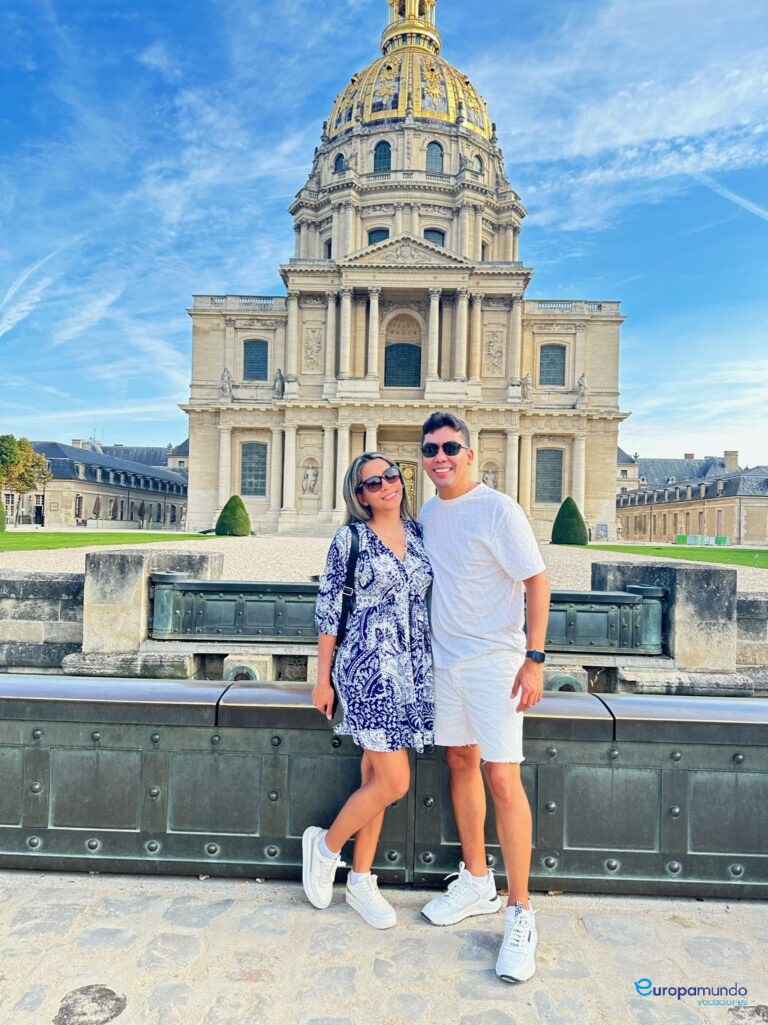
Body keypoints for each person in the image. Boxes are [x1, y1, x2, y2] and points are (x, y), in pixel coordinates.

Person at [418, 411, 550, 983]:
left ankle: (521, 910)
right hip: (446, 662)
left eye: (450, 447)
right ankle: (477, 881)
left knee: (503, 776)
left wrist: (535, 659)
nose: (440, 456)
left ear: (470, 453)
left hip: (496, 662)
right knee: (460, 761)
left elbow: (537, 581)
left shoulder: (499, 509)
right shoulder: (427, 510)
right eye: (430, 449)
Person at [303, 452, 434, 929]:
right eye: (374, 482)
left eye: (392, 475)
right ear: (359, 495)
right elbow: (328, 609)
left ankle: (361, 880)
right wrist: (322, 678)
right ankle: (326, 847)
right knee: (395, 782)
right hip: (368, 669)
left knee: (375, 782)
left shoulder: (420, 534)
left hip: (413, 671)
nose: (387, 485)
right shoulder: (349, 538)